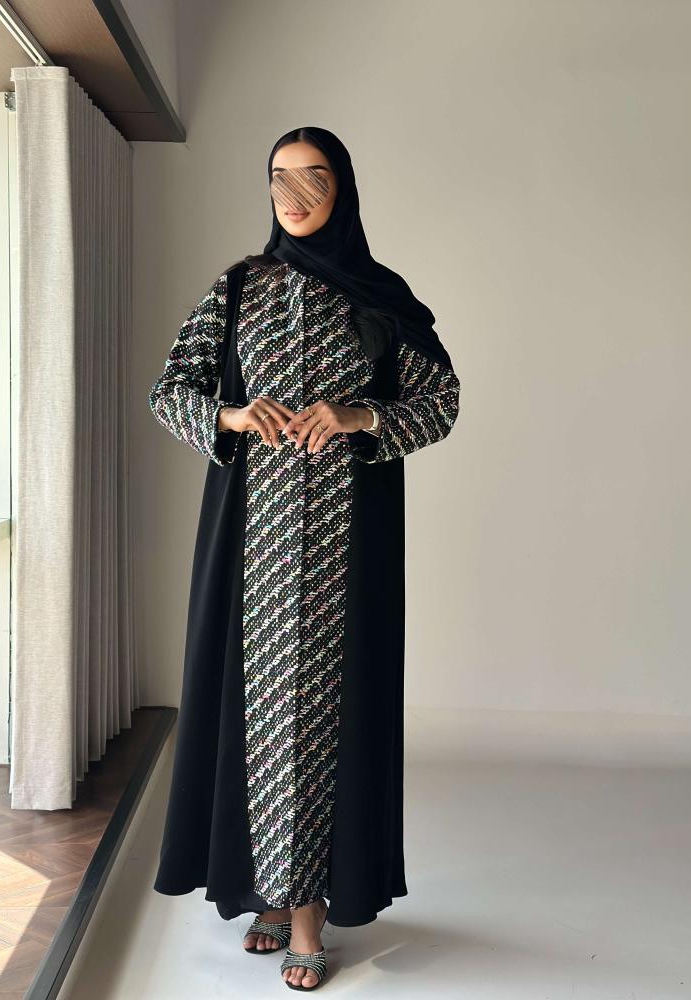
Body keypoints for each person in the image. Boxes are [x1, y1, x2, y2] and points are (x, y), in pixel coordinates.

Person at [148, 125, 461, 991]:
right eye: (279, 178)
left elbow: (441, 401)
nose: (293, 195)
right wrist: (233, 415)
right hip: (250, 539)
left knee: (319, 715)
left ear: (342, 189)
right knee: (254, 713)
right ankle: (269, 892)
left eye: (312, 178)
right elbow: (169, 391)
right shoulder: (239, 289)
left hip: (343, 546)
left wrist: (360, 417)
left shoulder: (380, 297)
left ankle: (308, 912)